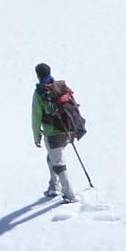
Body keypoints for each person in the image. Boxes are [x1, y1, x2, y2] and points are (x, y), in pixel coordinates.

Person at [30, 63, 81, 203]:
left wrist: (36, 136)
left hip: (52, 133)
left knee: (58, 164)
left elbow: (36, 116)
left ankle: (70, 195)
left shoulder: (40, 92)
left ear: (38, 75)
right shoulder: (61, 87)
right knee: (51, 158)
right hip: (67, 130)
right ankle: (54, 185)